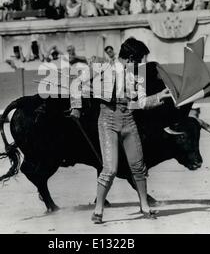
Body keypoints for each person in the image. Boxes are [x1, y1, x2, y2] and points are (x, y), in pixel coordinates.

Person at [69, 37, 172, 224]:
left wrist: (158, 96)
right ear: (131, 57)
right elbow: (76, 83)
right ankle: (98, 209)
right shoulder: (103, 67)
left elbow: (140, 103)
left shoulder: (136, 74)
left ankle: (144, 206)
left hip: (129, 120)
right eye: (140, 59)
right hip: (107, 122)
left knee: (138, 167)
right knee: (110, 169)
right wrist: (76, 107)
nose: (142, 64)